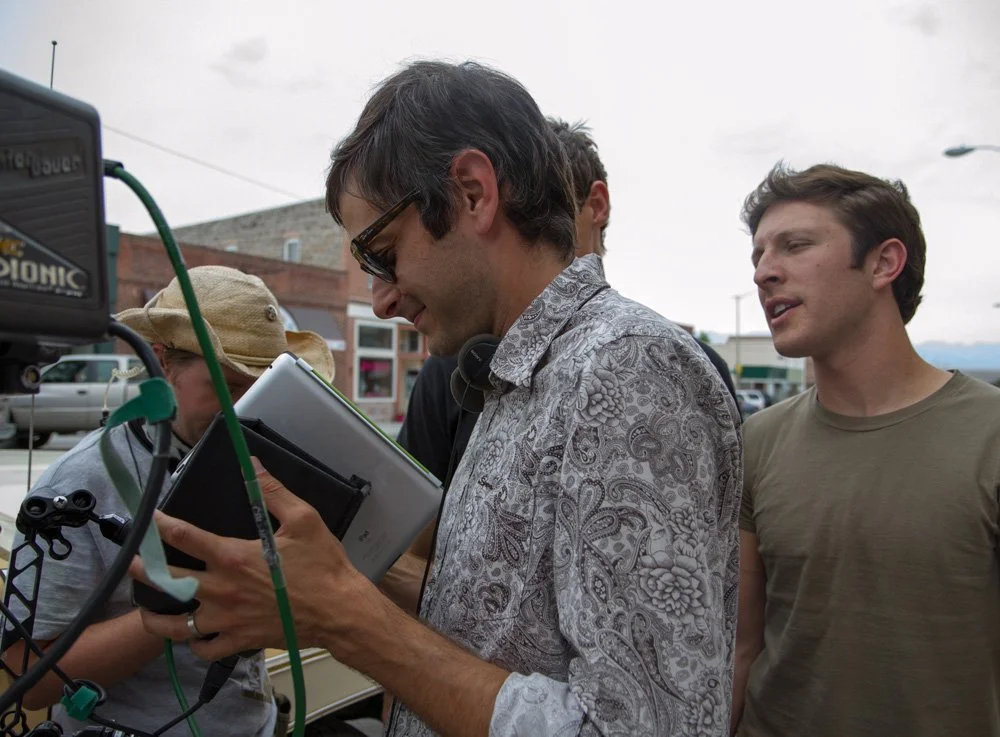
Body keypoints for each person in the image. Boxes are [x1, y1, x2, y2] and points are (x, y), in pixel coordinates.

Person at [135, 60, 743, 737]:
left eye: (384, 252)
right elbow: (498, 625)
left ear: (473, 192)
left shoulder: (626, 367)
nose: (382, 296)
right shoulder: (514, 374)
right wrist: (335, 573)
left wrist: (342, 616)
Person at [2, 265, 334, 736]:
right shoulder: (79, 482)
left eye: (261, 390)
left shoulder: (257, 459)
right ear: (163, 364)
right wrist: (179, 606)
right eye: (228, 387)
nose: (244, 411)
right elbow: (27, 678)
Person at [731, 163, 1000, 737]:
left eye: (795, 246)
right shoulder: (758, 441)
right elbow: (741, 648)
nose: (764, 274)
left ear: (884, 262)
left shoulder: (990, 434)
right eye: (757, 257)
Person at [398, 117, 738, 495]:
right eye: (522, 214)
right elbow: (412, 531)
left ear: (597, 205)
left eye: (552, 209)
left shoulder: (677, 364)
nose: (535, 230)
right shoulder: (451, 369)